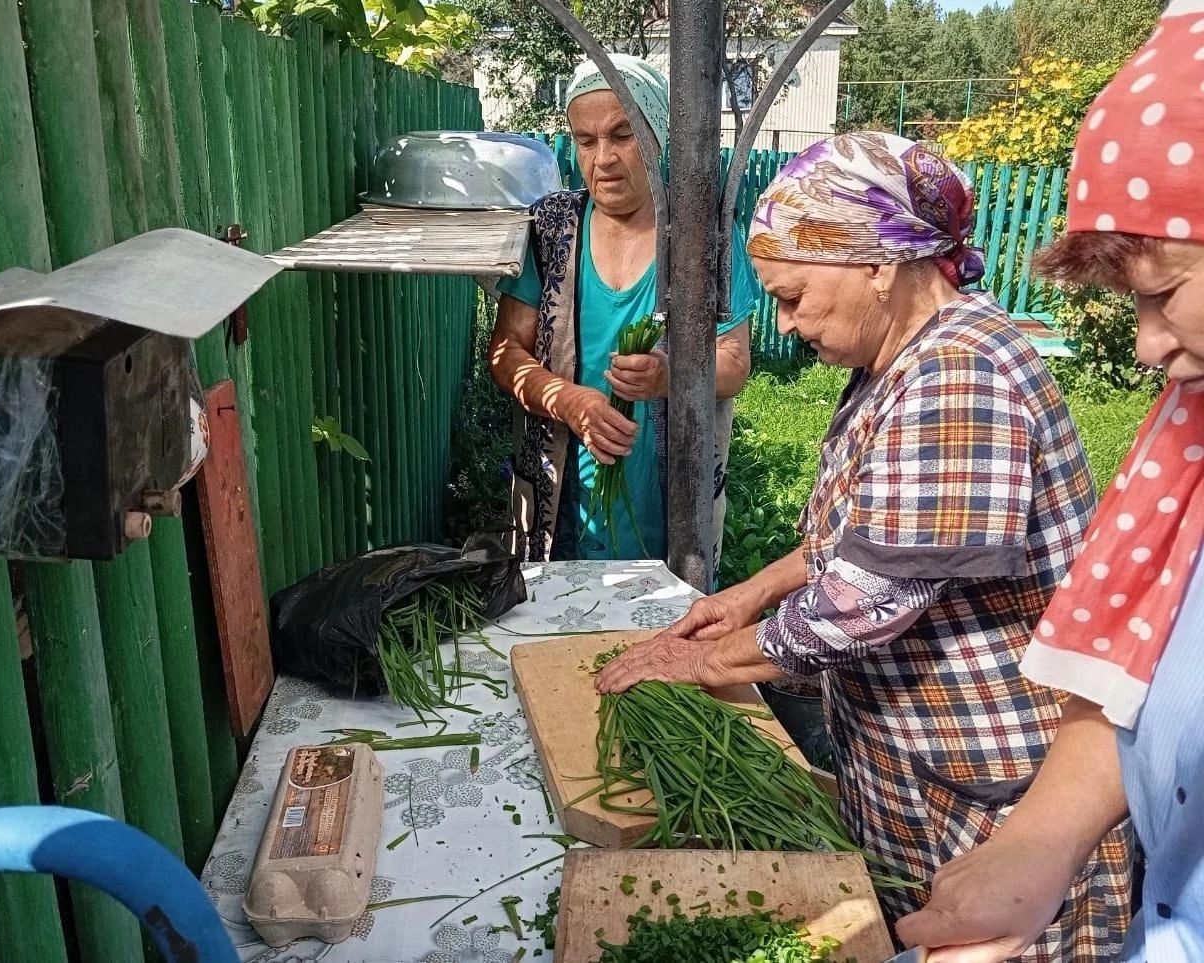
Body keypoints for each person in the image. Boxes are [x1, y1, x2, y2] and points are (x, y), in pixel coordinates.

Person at [593, 131, 1133, 959]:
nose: (783, 321)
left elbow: (864, 603)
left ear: (878, 262)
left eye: (793, 295)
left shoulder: (961, 376)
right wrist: (753, 591)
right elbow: (863, 536)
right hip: (922, 773)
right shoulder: (901, 358)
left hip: (993, 804)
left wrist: (704, 660)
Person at [895, 5, 1204, 960]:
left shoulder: (964, 365)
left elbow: (895, 570)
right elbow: (1143, 675)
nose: (1153, 346)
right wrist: (1035, 845)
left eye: (1165, 293)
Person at [490, 54, 761, 565]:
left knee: (669, 622)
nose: (603, 158)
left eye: (623, 135)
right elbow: (506, 351)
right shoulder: (552, 230)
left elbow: (734, 362)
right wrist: (566, 400)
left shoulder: (701, 236)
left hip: (667, 496)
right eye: (586, 141)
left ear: (657, 138)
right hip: (562, 488)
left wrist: (668, 375)